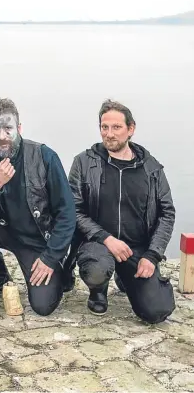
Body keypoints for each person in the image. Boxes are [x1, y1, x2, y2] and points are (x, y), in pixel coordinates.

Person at [66, 99, 176, 323]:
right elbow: (74, 211)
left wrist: (152, 256)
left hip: (135, 248)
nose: (109, 134)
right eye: (104, 127)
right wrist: (106, 238)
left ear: (131, 129)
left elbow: (167, 213)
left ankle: (125, 277)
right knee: (97, 269)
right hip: (97, 244)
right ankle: (98, 289)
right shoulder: (84, 163)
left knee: (157, 312)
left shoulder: (151, 168)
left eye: (116, 127)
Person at [0, 98, 76, 316]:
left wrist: (50, 257)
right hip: (4, 232)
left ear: (19, 128)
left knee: (43, 306)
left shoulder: (44, 156)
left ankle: (62, 269)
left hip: (38, 242)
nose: (2, 136)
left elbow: (67, 213)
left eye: (8, 128)